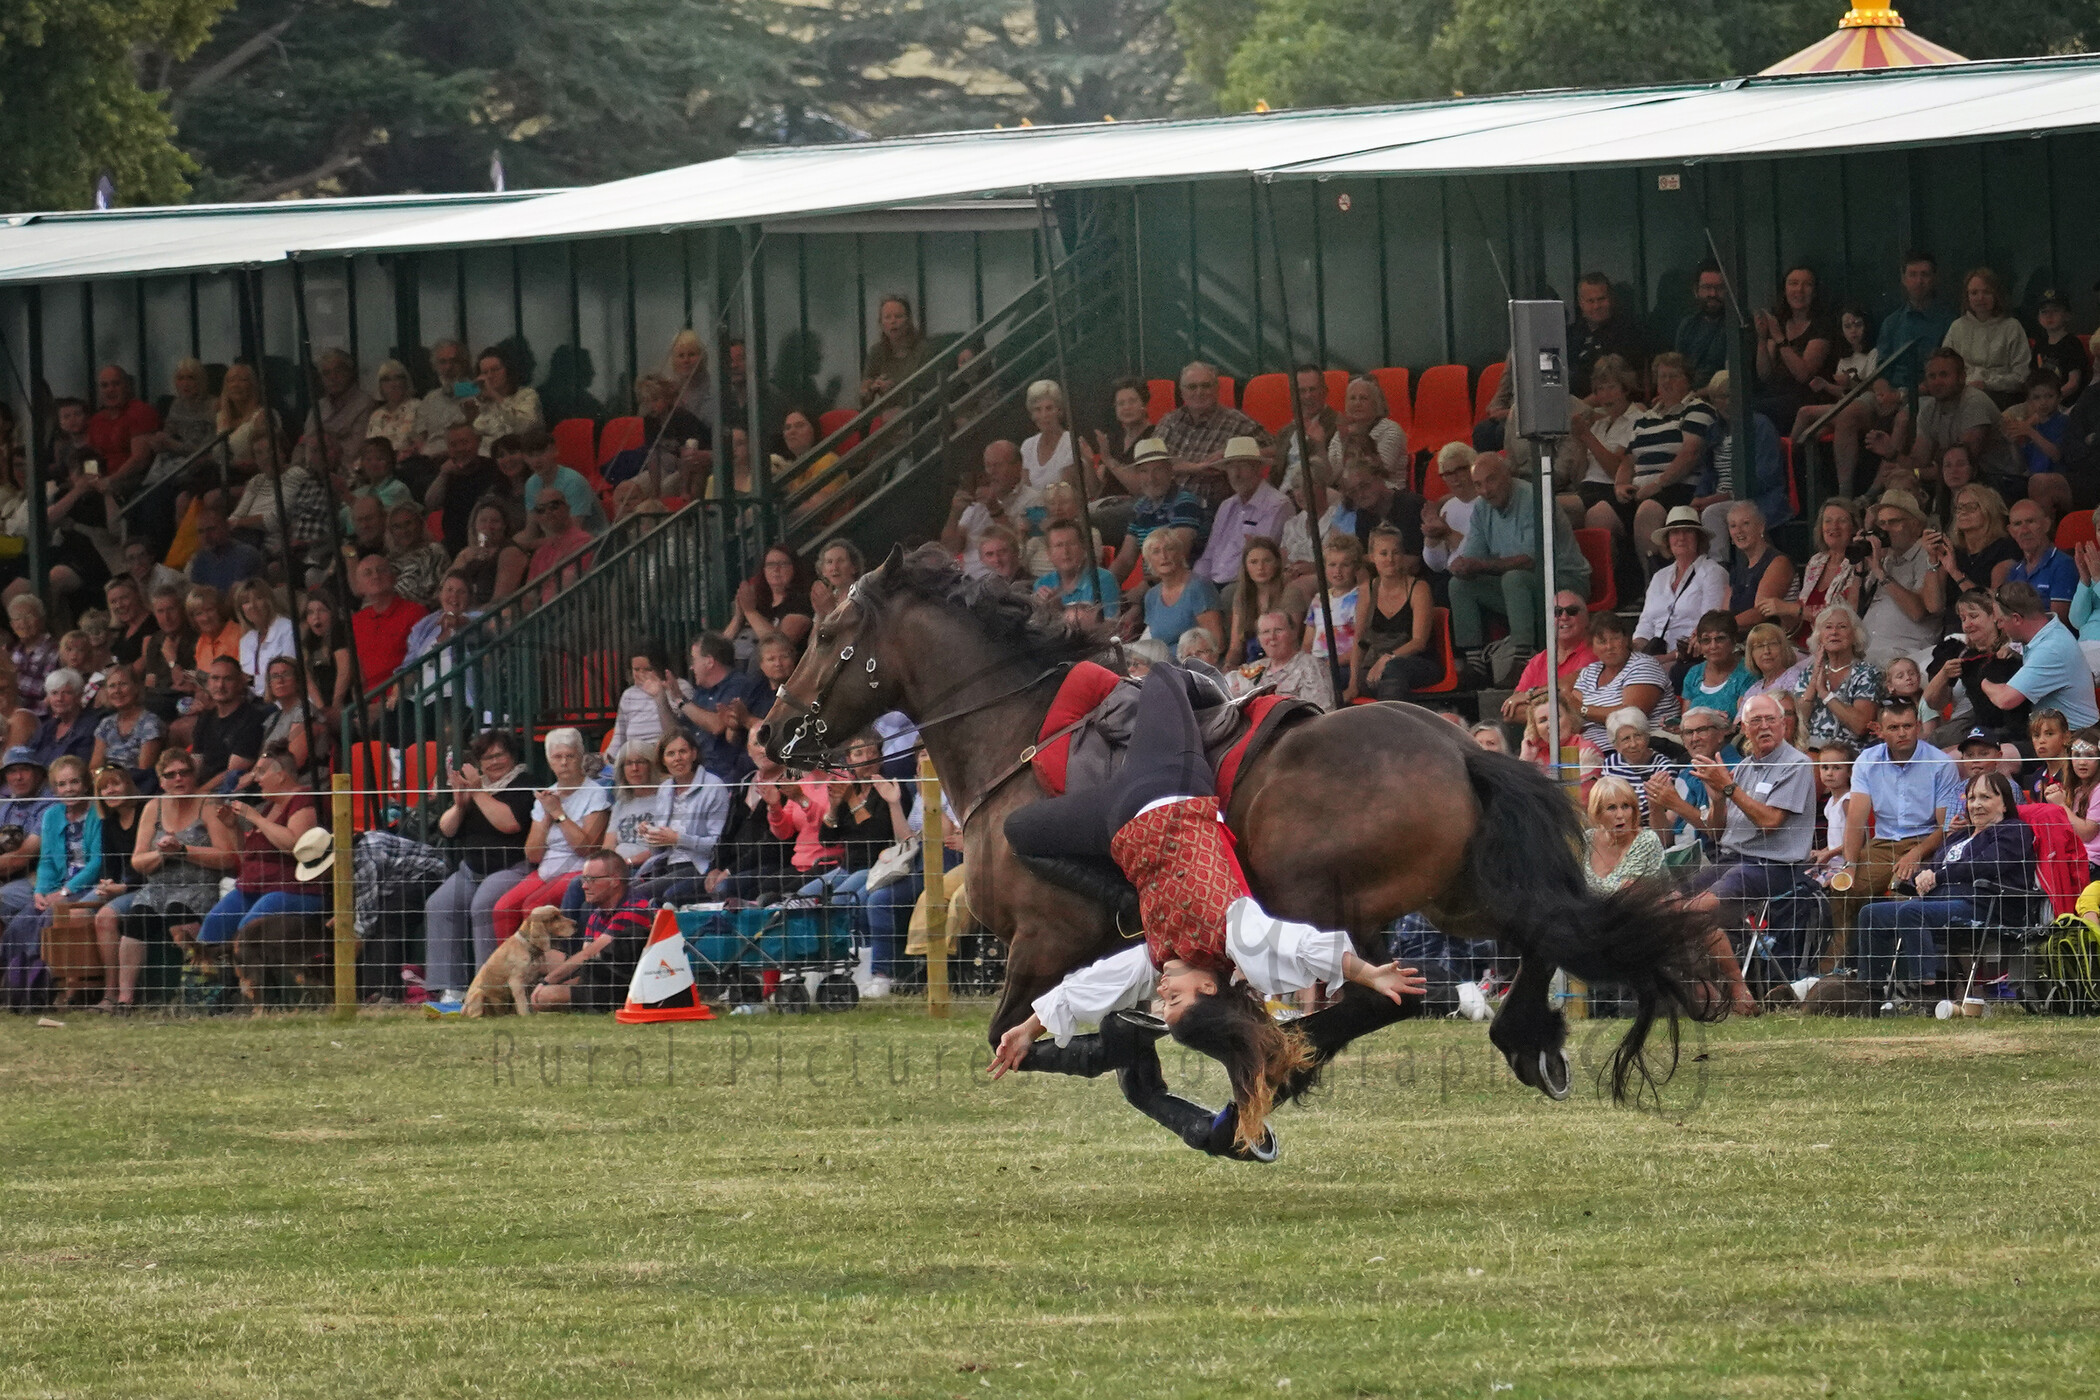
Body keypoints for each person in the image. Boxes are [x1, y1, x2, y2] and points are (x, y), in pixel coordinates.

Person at [993, 665, 1423, 1160]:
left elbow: (1089, 988)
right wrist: (1370, 973)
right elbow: (1301, 946)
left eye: (1163, 1006)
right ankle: (1221, 693)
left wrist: (1027, 1028)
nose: (1162, 996)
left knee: (1019, 831)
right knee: (1162, 676)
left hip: (1114, 823)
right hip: (1168, 788)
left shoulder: (1154, 961)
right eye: (1176, 1001)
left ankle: (1122, 897)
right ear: (1210, 987)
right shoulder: (1234, 933)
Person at [1679, 693, 1814, 1012]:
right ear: (1743, 727)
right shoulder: (1743, 768)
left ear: (1784, 724)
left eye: (1771, 720)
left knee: (1694, 910)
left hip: (1771, 868)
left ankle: (1736, 991)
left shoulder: (1797, 764)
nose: (1765, 726)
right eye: (1756, 721)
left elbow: (1770, 822)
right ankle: (1706, 986)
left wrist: (1728, 788)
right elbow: (1715, 830)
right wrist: (1718, 798)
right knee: (1669, 904)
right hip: (1731, 860)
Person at [1854, 771, 2033, 998]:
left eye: (1985, 797)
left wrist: (1938, 877)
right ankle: (1872, 993)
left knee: (1912, 912)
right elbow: (1935, 868)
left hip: (1983, 904)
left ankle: (1928, 991)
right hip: (1940, 901)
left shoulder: (2013, 830)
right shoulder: (1959, 836)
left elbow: (1985, 865)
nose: (1976, 805)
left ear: (2005, 804)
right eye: (1971, 798)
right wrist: (1919, 879)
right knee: (1871, 914)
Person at [108, 749, 238, 1004]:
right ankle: (124, 1000)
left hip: (198, 883)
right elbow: (137, 861)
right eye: (171, 775)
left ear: (193, 776)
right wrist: (162, 855)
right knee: (137, 918)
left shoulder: (209, 804)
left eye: (185, 772)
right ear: (161, 781)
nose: (179, 779)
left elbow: (227, 857)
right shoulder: (152, 807)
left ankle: (202, 988)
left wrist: (184, 850)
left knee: (178, 911)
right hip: (158, 885)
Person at [1449, 451, 1589, 683]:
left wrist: (1479, 564)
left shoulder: (1533, 498)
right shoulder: (1483, 507)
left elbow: (1530, 560)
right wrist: (1463, 565)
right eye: (1478, 485)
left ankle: (1523, 659)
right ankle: (1474, 663)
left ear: (1508, 475)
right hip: (1521, 589)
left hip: (1565, 581)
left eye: (1491, 480)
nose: (1485, 491)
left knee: (1514, 577)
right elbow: (1474, 554)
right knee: (1460, 584)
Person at [1834, 696, 1964, 943]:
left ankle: (1902, 972)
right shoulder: (1867, 761)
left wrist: (1916, 853)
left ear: (1918, 726)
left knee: (1901, 892)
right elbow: (1855, 820)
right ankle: (1838, 968)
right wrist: (1849, 864)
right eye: (1894, 728)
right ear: (1880, 731)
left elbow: (1945, 827)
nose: (1902, 733)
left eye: (1907, 726)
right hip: (1883, 844)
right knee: (1844, 889)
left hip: (1928, 843)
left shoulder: (1941, 763)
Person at [194, 745, 323, 950]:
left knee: (249, 931)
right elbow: (247, 857)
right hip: (255, 886)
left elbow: (295, 845)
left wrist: (255, 818)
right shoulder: (271, 806)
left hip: (294, 889)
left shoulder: (303, 801)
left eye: (261, 772)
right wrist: (233, 827)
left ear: (280, 776)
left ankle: (247, 979)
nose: (256, 778)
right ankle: (207, 976)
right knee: (214, 922)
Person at [529, 851, 655, 1013]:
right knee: (536, 957)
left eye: (592, 879)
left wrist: (547, 982)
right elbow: (587, 964)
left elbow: (587, 955)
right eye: (584, 878)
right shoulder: (598, 912)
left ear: (614, 881)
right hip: (600, 979)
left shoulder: (634, 908)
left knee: (547, 996)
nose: (584, 886)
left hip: (623, 987)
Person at [1623, 352, 1717, 566]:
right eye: (1662, 376)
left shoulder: (1698, 409)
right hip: (1641, 488)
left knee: (1647, 510)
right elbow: (1628, 459)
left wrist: (1657, 484)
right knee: (1600, 513)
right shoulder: (1644, 418)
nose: (1666, 381)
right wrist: (1620, 484)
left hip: (1680, 485)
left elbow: (1690, 454)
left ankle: (1654, 586)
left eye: (1673, 376)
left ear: (1688, 379)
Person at [1899, 347, 2022, 494]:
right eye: (1932, 376)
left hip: (2002, 480)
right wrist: (1891, 454)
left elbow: (1962, 465)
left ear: (1962, 377)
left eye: (1944, 375)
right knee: (1900, 480)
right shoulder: (1928, 409)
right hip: (1966, 480)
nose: (1937, 381)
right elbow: (1919, 460)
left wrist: (1915, 473)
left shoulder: (1975, 402)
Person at [629, 731, 731, 907]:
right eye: (670, 754)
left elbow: (718, 844)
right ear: (663, 760)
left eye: (682, 752)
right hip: (666, 864)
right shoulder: (665, 788)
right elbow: (658, 851)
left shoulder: (713, 786)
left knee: (635, 895)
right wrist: (650, 835)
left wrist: (678, 839)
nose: (677, 758)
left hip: (699, 866)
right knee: (620, 890)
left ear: (694, 754)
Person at [1981, 580, 2099, 730]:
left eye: (2000, 621)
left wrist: (1981, 680)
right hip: (2053, 734)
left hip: (2076, 740)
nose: (1999, 626)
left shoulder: (2050, 648)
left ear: (2016, 618)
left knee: (1995, 752)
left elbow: (2005, 699)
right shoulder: (2050, 631)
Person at [659, 633, 771, 782]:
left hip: (724, 775)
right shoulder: (700, 693)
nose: (691, 667)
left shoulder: (739, 685)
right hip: (695, 774)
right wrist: (660, 698)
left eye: (694, 659)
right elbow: (675, 733)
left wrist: (680, 700)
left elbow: (717, 725)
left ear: (709, 662)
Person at [1561, 354, 1643, 548]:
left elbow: (1617, 470)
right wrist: (1579, 441)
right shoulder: (1598, 425)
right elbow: (1580, 476)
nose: (1605, 395)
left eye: (1611, 387)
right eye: (1600, 389)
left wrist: (1587, 437)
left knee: (1563, 511)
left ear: (1625, 388)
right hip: (1585, 490)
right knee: (1543, 507)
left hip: (1612, 492)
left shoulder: (1638, 420)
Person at [1347, 524, 1437, 702]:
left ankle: (1390, 726)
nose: (1390, 559)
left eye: (1395, 553)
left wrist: (1387, 659)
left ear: (1403, 556)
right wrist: (1352, 683)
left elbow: (1419, 642)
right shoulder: (1367, 589)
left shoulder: (1419, 588)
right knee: (1334, 677)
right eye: (1383, 553)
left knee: (1393, 670)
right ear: (1372, 557)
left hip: (1415, 662)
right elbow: (1360, 641)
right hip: (1376, 664)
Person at [1856, 489, 1944, 670]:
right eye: (1882, 523)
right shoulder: (1885, 558)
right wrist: (1859, 570)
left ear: (1915, 525)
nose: (1885, 529)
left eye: (1893, 522)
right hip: (1866, 651)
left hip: (1903, 655)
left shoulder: (1927, 555)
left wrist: (1881, 574)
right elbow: (1853, 610)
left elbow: (1918, 612)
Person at [1926, 590, 2028, 742]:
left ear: (1994, 616)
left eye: (1973, 616)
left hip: (2016, 727)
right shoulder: (1963, 653)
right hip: (1981, 724)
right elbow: (1933, 702)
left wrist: (2013, 652)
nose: (1967, 625)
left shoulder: (2016, 646)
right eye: (1963, 619)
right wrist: (1944, 674)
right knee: (1937, 740)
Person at [1633, 506, 1728, 660]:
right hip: (1653, 656)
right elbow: (1646, 624)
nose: (1681, 537)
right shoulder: (1659, 577)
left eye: (1688, 531)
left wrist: (1667, 658)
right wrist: (1633, 650)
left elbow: (1709, 626)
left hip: (1691, 657)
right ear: (1668, 540)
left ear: (1699, 538)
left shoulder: (1713, 572)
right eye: (1675, 532)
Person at [1194, 439, 1291, 587]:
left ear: (1258, 468)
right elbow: (1209, 555)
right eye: (1231, 467)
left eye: (1243, 466)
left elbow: (1263, 557)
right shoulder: (1226, 506)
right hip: (1213, 583)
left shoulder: (1277, 505)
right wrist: (1194, 584)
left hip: (1245, 584)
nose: (1236, 474)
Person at [1107, 440, 1205, 587]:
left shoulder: (1185, 502)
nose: (1151, 478)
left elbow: (1177, 557)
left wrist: (1144, 590)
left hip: (1182, 586)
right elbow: (1125, 560)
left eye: (1157, 470)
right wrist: (1101, 588)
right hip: (1153, 587)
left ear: (1170, 471)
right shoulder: (1139, 508)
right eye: (1144, 471)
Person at [1153, 362, 1271, 478]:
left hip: (1212, 496)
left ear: (1217, 389)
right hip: (1165, 496)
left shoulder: (1239, 423)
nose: (1199, 392)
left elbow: (1275, 450)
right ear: (1182, 392)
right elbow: (1149, 465)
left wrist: (1231, 454)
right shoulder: (1169, 422)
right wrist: (1195, 468)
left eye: (1206, 386)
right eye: (1192, 387)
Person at [1751, 264, 1834, 430]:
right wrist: (1762, 337)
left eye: (1807, 284)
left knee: (1754, 411)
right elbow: (1765, 374)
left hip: (1806, 397)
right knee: (1741, 406)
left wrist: (1780, 339)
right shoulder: (1780, 322)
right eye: (1793, 283)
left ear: (1815, 291)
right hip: (1775, 393)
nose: (1799, 290)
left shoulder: (1822, 326)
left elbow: (1804, 375)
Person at [1573, 611, 1671, 748]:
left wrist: (1583, 710)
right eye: (1602, 641)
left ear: (1626, 640)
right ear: (1592, 647)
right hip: (1590, 750)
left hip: (1639, 750)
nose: (1609, 646)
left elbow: (1630, 716)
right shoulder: (1589, 672)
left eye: (1615, 638)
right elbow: (1571, 711)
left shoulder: (1643, 665)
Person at [1500, 591, 1597, 723]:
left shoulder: (1596, 652)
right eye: (1557, 612)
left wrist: (1530, 696)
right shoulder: (1538, 660)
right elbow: (1511, 712)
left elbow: (1570, 683)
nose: (1564, 616)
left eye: (1572, 611)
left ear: (1586, 619)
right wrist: (1559, 708)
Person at [1942, 267, 2032, 407]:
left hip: (2002, 396)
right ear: (1967, 297)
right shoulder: (1957, 327)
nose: (1980, 298)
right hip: (1962, 393)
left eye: (1986, 292)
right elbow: (1945, 368)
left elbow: (2022, 376)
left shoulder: (2012, 327)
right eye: (1974, 293)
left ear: (1996, 295)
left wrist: (1987, 384)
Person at [188, 657, 270, 792]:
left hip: (230, 792)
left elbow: (233, 771)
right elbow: (196, 761)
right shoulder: (206, 717)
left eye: (228, 679)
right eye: (215, 678)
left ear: (239, 683)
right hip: (202, 790)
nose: (220, 685)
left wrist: (198, 794)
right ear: (208, 683)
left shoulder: (252, 718)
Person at [1134, 530, 1223, 652]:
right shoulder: (1151, 596)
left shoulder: (1198, 587)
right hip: (1162, 665)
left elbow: (1217, 643)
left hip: (1192, 665)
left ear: (1181, 554)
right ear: (1148, 561)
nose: (1163, 556)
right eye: (1156, 552)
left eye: (1169, 549)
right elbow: (1151, 642)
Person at [1228, 609, 1335, 711]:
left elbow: (1322, 713)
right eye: (1265, 632)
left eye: (1279, 630)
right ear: (1259, 639)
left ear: (1293, 633)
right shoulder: (1253, 669)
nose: (1272, 637)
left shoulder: (1310, 666)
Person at [350, 555, 430, 688]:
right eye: (367, 573)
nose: (375, 576)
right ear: (359, 586)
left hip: (404, 697)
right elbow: (357, 672)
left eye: (381, 570)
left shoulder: (415, 612)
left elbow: (420, 664)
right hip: (368, 700)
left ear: (394, 578)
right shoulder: (356, 621)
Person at [294, 349, 376, 477]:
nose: (333, 377)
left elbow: (354, 449)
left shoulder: (364, 403)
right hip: (308, 474)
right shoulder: (318, 407)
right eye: (326, 373)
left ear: (350, 372)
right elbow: (304, 444)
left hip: (344, 474)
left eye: (338, 371)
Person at [1581, 776, 1664, 894]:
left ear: (1634, 810)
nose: (1620, 815)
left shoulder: (1647, 841)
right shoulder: (1587, 839)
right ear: (1597, 813)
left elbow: (1631, 895)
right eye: (1611, 808)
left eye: (1625, 806)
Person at [1567, 273, 1646, 396]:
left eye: (1601, 299)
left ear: (1611, 299)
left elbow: (1623, 383)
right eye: (1590, 301)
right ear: (1581, 303)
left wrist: (1581, 407)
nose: (1596, 306)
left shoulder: (1628, 333)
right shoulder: (1570, 335)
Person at [1724, 501, 1796, 636]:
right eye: (1733, 526)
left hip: (1770, 642)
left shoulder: (1779, 562)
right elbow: (1724, 613)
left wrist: (1718, 628)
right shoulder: (1738, 570)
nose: (1738, 530)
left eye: (1745, 523)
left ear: (1761, 526)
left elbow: (1760, 613)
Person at [2004, 497, 2076, 623]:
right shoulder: (2014, 571)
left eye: (2031, 522)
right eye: (2017, 524)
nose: (2024, 530)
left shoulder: (2063, 565)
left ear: (2046, 525)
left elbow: (2058, 621)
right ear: (2011, 531)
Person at [1521, 687, 1603, 796]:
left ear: (1570, 717)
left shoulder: (1586, 751)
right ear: (1535, 727)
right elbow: (1519, 795)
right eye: (1543, 720)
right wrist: (1525, 758)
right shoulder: (1534, 754)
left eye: (1556, 716)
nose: (1551, 724)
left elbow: (1581, 799)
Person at [451, 498, 531, 607]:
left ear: (504, 526)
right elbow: (448, 586)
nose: (488, 526)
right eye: (483, 521)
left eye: (495, 521)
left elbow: (500, 599)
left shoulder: (510, 552)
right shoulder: (466, 554)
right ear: (475, 526)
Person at [1033, 520, 1120, 619]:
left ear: (1083, 548)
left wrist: (1060, 610)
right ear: (1049, 553)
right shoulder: (1042, 584)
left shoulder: (1102, 580)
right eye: (1059, 545)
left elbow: (1110, 625)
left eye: (1072, 544)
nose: (1065, 551)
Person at [1327, 376, 1407, 481]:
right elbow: (1330, 475)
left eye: (1363, 398)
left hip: (1386, 491)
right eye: (1352, 398)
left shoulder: (1390, 430)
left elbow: (1379, 473)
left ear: (1376, 403)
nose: (1357, 403)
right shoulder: (1341, 433)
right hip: (1348, 491)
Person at [1679, 611, 1754, 722]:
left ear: (1734, 640)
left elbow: (1744, 723)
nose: (1713, 646)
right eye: (1706, 640)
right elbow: (1685, 721)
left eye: (1720, 639)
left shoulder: (1748, 673)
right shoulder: (1694, 673)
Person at [859, 295, 932, 406]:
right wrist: (871, 389)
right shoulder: (876, 351)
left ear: (908, 321)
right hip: (886, 415)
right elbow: (864, 393)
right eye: (887, 317)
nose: (893, 321)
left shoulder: (923, 350)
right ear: (881, 324)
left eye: (898, 316)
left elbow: (929, 393)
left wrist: (895, 389)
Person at [470, 344, 543, 452]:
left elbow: (523, 426)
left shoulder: (527, 395)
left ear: (507, 370)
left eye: (495, 370)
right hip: (485, 458)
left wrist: (495, 395)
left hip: (519, 455)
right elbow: (476, 432)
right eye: (485, 372)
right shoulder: (481, 401)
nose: (489, 376)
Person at [229, 580, 295, 699]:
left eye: (258, 598)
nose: (253, 605)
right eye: (246, 602)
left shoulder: (287, 629)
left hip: (284, 701)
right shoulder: (246, 640)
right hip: (256, 703)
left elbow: (290, 674)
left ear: (268, 601)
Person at [27, 669, 100, 769]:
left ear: (78, 696)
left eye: (67, 693)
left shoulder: (91, 726)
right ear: (48, 698)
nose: (59, 699)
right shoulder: (46, 728)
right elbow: (28, 757)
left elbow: (79, 766)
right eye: (54, 693)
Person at [1674, 262, 1732, 388]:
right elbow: (1678, 368)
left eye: (1719, 288)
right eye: (1707, 287)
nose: (1713, 294)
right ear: (1696, 291)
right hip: (1687, 395)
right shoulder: (1688, 325)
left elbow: (1731, 379)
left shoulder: (1736, 326)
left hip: (1720, 397)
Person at [183, 505, 264, 593]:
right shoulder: (199, 560)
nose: (206, 537)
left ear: (226, 526)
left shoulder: (246, 555)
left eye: (211, 529)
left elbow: (240, 597)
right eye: (201, 532)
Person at [1018, 379, 1076, 493]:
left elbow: (1064, 490)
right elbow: (1025, 490)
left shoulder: (1070, 442)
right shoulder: (1027, 446)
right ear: (1032, 414)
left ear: (1059, 410)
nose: (1044, 415)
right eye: (1037, 410)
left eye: (1049, 408)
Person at [2033, 289, 2089, 406]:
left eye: (2055, 310)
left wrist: (2052, 399)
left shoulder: (2072, 344)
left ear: (2067, 315)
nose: (2049, 315)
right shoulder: (2040, 344)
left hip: (2067, 403)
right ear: (2038, 318)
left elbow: (2073, 383)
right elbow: (2033, 377)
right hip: (2041, 402)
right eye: (2044, 312)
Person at [808, 539, 863, 619]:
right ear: (823, 571)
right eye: (829, 562)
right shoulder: (827, 598)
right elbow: (817, 632)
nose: (834, 567)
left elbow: (854, 629)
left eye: (841, 561)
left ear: (854, 567)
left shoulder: (863, 594)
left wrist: (831, 610)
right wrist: (820, 615)